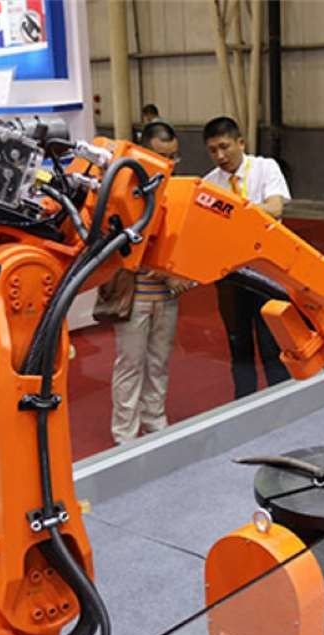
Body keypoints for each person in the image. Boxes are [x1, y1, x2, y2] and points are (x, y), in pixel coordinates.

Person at [103, 119, 193, 444]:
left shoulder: (177, 192)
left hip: (167, 298)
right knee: (130, 365)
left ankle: (156, 424)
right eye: (161, 156)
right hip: (135, 297)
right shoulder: (122, 191)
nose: (169, 164)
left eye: (173, 157)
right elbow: (114, 246)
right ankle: (125, 435)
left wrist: (183, 276)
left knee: (158, 364)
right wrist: (163, 271)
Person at [202, 116, 291, 398]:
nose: (220, 156)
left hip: (267, 272)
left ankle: (281, 405)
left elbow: (274, 209)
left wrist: (231, 214)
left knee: (271, 344)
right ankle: (243, 403)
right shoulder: (209, 184)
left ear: (240, 143)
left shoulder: (265, 168)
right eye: (213, 150)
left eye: (224, 147)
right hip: (231, 276)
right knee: (238, 344)